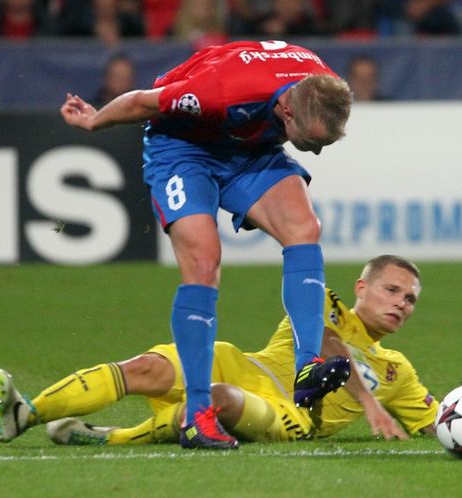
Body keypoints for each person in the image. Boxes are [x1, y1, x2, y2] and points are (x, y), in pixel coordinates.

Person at [58, 40, 354, 450]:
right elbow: (145, 102)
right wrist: (94, 121)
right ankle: (197, 415)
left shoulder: (320, 84)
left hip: (248, 150)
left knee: (304, 227)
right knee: (203, 262)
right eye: (309, 140)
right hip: (183, 149)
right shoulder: (220, 90)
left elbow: (307, 121)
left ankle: (308, 366)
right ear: (287, 109)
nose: (316, 150)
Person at [0, 255, 462, 448]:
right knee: (150, 368)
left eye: (412, 299)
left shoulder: (397, 370)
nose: (402, 304)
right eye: (393, 291)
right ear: (364, 288)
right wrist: (368, 404)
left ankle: (105, 437)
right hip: (250, 362)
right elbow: (327, 345)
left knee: (217, 401)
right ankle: (25, 413)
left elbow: (441, 422)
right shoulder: (323, 304)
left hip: (292, 415)